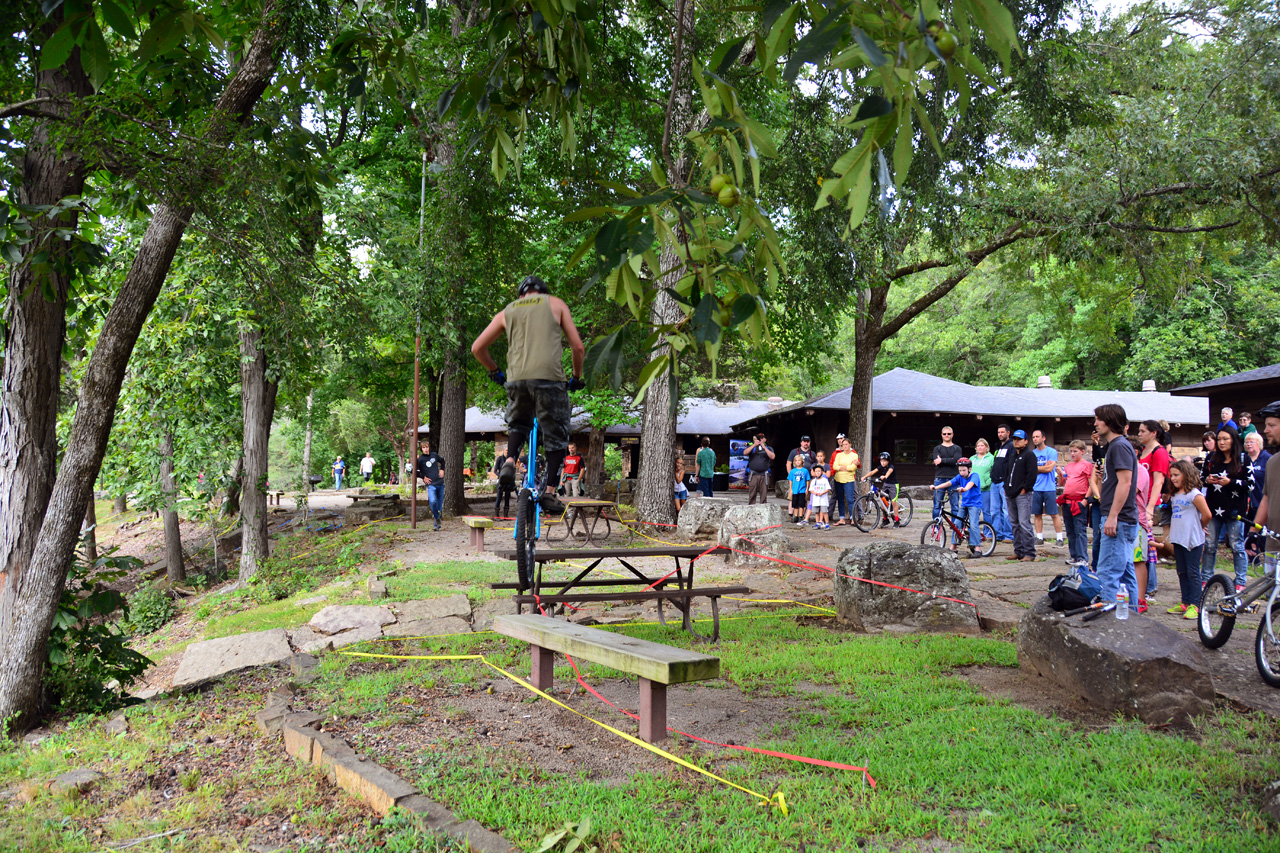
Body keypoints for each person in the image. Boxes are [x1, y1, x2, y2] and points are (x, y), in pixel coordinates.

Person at [471, 274, 586, 516]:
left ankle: (510, 461)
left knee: (519, 423)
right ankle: (551, 493)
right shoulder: (555, 304)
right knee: (556, 438)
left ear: (522, 295)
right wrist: (576, 377)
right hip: (550, 380)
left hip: (517, 380)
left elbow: (477, 348)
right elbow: (578, 347)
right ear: (542, 292)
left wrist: (495, 371)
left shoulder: (507, 311)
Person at [1095, 403, 1140, 608]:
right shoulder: (1114, 446)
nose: (1095, 423)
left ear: (1111, 421)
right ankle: (1131, 615)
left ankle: (1110, 617)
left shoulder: (1120, 445)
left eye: (1098, 419)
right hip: (1120, 518)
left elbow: (1126, 482)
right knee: (1126, 571)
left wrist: (1113, 516)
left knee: (1108, 571)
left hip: (1119, 520)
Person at [1200, 425, 1250, 592]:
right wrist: (1208, 479)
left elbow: (1250, 484)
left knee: (1237, 546)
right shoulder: (1211, 458)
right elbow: (1201, 479)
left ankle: (1240, 581)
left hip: (1235, 511)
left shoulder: (1243, 459)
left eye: (1225, 439)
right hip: (1213, 508)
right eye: (1219, 439)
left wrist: (1231, 482)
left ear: (1233, 440)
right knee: (1210, 545)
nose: (1221, 442)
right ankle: (1206, 579)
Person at [1166, 460, 1211, 619]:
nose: (1173, 478)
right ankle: (1185, 602)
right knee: (1181, 571)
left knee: (1193, 572)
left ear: (1187, 474)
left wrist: (1200, 526)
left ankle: (1195, 605)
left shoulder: (1195, 494)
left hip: (1192, 540)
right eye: (1171, 475)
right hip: (1178, 538)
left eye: (1176, 475)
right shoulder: (1175, 495)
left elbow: (1207, 514)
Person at [932, 457, 983, 557]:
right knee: (956, 524)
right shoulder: (959, 477)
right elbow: (949, 483)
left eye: (964, 470)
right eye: (960, 470)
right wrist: (936, 487)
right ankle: (953, 547)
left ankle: (978, 548)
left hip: (974, 505)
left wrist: (965, 489)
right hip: (964, 504)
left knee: (973, 524)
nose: (962, 472)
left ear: (969, 469)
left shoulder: (974, 476)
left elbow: (970, 484)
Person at [1003, 430, 1040, 562]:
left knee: (1024, 523)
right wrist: (1005, 487)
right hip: (1010, 493)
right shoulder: (1012, 455)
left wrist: (1025, 489)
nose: (1016, 441)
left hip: (1023, 494)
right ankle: (1018, 551)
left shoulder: (1029, 455)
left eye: (1019, 439)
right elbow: (1007, 473)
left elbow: (1032, 474)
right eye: (1014, 439)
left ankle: (1029, 552)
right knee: (1014, 523)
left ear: (1025, 441)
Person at [1057, 440, 1093, 567]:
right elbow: (1062, 483)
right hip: (1067, 501)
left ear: (1083, 452)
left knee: (1080, 530)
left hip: (1079, 501)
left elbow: (1091, 484)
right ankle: (1074, 555)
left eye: (1075, 451)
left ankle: (1083, 557)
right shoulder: (1068, 466)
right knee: (1070, 531)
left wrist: (1085, 500)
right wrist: (1061, 474)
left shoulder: (1087, 465)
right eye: (1071, 451)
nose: (1072, 453)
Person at [1128, 436, 1154, 612]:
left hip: (1137, 521)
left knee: (1138, 561)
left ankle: (1140, 599)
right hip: (1126, 521)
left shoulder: (1140, 470)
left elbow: (1131, 492)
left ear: (1134, 452)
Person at [1252, 400, 1280, 558]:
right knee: (1271, 583)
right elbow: (1267, 499)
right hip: (1273, 544)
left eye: (1272, 425)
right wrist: (1253, 532)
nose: (1265, 430)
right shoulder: (1272, 462)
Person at [1030, 430, 1062, 547]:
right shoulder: (1032, 453)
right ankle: (1039, 537)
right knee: (1037, 514)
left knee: (1054, 513)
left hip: (1049, 487)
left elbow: (1050, 469)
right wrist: (1043, 467)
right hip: (1036, 487)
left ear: (1044, 438)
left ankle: (1059, 538)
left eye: (1037, 436)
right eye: (1033, 437)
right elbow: (1030, 470)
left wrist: (1037, 468)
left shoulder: (1051, 452)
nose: (1035, 439)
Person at [988, 424, 1016, 543]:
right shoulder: (998, 447)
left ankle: (1009, 535)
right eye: (999, 432)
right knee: (994, 510)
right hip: (994, 482)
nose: (1000, 434)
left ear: (1008, 433)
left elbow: (1011, 465)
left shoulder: (1011, 446)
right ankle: (997, 534)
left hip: (1004, 482)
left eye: (1002, 432)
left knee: (1006, 510)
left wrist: (1008, 481)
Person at [931, 426, 964, 520]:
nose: (946, 435)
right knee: (937, 505)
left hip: (954, 479)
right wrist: (950, 460)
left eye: (948, 434)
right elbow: (937, 461)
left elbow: (957, 460)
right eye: (944, 434)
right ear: (941, 435)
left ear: (952, 435)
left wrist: (942, 460)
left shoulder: (957, 448)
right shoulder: (937, 448)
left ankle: (955, 527)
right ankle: (936, 527)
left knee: (955, 506)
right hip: (939, 478)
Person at [862, 451, 900, 527]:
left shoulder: (891, 467)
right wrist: (864, 477)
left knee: (893, 502)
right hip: (886, 484)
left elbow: (889, 472)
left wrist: (885, 476)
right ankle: (885, 519)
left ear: (888, 461)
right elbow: (873, 472)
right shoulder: (881, 467)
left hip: (893, 485)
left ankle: (897, 520)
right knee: (882, 501)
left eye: (884, 461)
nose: (882, 463)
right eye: (881, 461)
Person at [830, 434, 861, 525]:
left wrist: (842, 467)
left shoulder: (854, 455)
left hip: (849, 480)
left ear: (850, 445)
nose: (845, 446)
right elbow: (835, 466)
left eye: (846, 444)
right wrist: (845, 467)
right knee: (840, 499)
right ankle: (842, 518)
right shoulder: (839, 455)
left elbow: (853, 468)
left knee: (850, 499)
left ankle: (852, 518)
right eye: (843, 445)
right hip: (838, 479)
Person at [416, 439, 446, 531]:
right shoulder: (420, 459)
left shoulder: (434, 455)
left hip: (440, 483)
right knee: (433, 501)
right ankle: (437, 518)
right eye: (424, 448)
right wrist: (423, 477)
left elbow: (442, 461)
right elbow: (416, 472)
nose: (426, 449)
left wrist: (442, 470)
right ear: (421, 449)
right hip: (431, 485)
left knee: (439, 506)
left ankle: (437, 525)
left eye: (427, 447)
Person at [970, 438, 996, 535]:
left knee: (986, 511)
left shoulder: (991, 458)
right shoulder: (972, 458)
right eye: (978, 446)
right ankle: (974, 531)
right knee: (974, 511)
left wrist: (988, 482)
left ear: (986, 447)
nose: (980, 447)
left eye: (982, 445)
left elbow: (993, 471)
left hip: (986, 489)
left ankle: (988, 532)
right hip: (974, 489)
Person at [1244, 431, 1271, 521]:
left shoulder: (1267, 458)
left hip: (1261, 501)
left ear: (1259, 444)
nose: (1249, 444)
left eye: (1252, 442)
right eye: (1247, 442)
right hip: (1245, 504)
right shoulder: (1242, 458)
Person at [746, 432, 775, 505]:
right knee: (752, 494)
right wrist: (754, 445)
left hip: (764, 474)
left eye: (762, 438)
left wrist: (764, 447)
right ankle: (751, 509)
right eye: (759, 438)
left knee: (764, 495)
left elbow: (772, 457)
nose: (760, 440)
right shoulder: (752, 447)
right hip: (753, 474)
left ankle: (763, 510)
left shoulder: (769, 448)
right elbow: (745, 453)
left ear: (765, 439)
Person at [788, 454, 811, 525]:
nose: (798, 462)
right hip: (795, 489)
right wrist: (791, 489)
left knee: (801, 503)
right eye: (796, 461)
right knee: (795, 503)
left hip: (802, 489)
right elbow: (790, 480)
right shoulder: (792, 471)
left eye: (799, 460)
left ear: (802, 461)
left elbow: (807, 480)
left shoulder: (805, 471)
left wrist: (807, 489)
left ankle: (801, 516)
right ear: (794, 462)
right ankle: (796, 516)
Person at [809, 463, 832, 530]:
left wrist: (822, 493)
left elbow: (828, 488)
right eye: (816, 471)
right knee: (816, 512)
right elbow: (811, 489)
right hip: (816, 499)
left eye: (819, 471)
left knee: (824, 511)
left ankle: (827, 523)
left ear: (822, 472)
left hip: (823, 499)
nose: (817, 472)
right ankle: (817, 523)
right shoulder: (813, 481)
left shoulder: (824, 480)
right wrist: (815, 493)